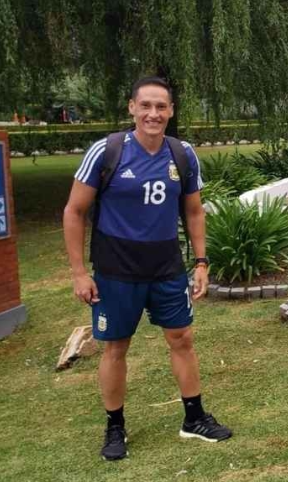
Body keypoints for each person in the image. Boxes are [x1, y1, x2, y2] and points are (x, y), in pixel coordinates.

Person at [63, 76, 232, 461]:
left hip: (166, 268)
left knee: (182, 339)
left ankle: (194, 418)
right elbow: (74, 211)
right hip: (115, 271)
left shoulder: (182, 154)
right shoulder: (107, 151)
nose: (153, 114)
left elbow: (194, 211)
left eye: (161, 107)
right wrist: (79, 272)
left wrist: (201, 262)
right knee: (116, 347)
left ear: (170, 111)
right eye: (146, 106)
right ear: (132, 108)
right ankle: (115, 427)